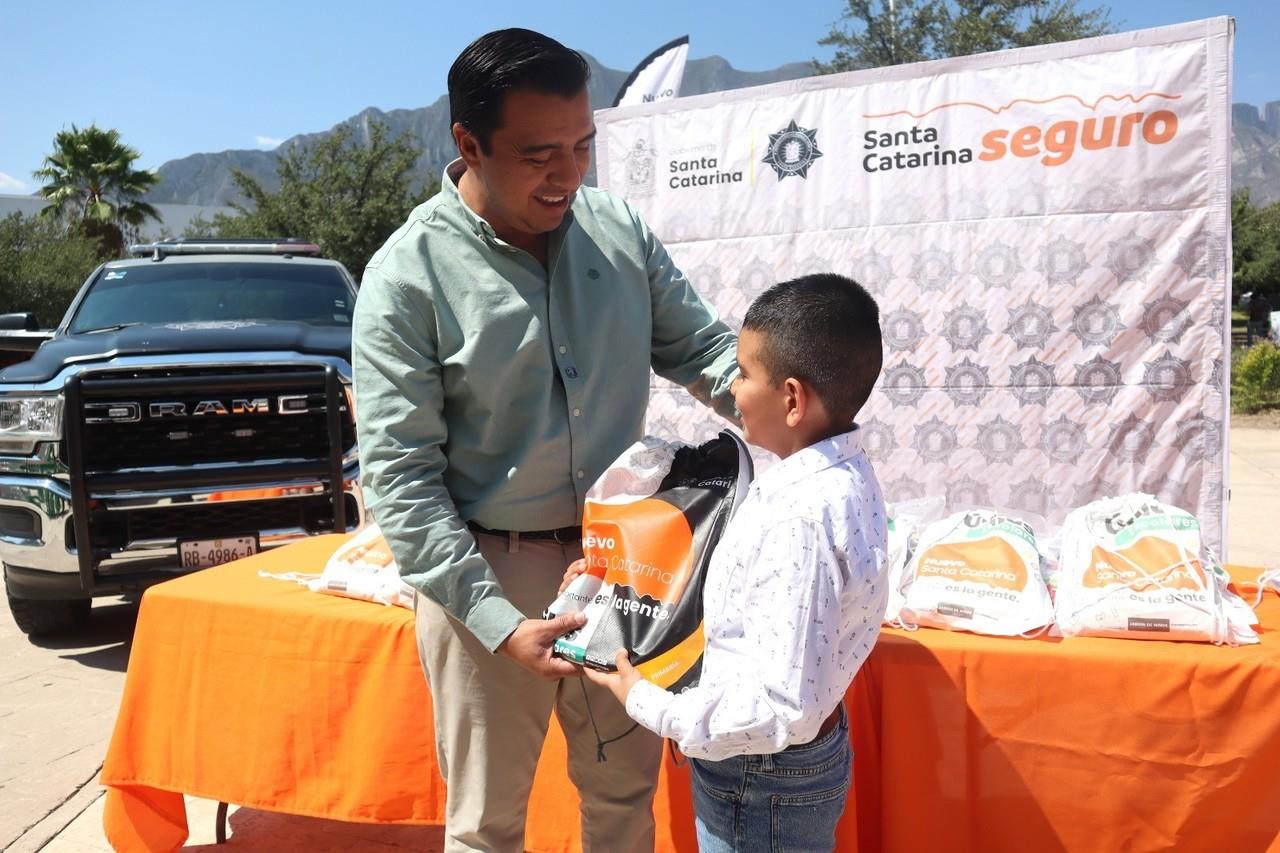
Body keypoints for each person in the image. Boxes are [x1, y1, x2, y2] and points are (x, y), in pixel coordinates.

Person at [351, 28, 739, 853]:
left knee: (624, 800)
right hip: (485, 573)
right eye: (539, 154)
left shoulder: (617, 234)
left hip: (622, 568)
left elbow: (705, 351)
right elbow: (402, 480)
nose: (569, 174)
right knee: (489, 825)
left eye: (583, 146)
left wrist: (797, 400)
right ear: (469, 144)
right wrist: (496, 618)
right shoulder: (406, 276)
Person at [580, 274, 889, 853]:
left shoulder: (799, 518)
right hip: (780, 771)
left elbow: (778, 707)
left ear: (792, 399)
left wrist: (645, 700)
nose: (734, 386)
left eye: (744, 373)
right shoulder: (839, 476)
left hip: (758, 780)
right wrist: (621, 574)